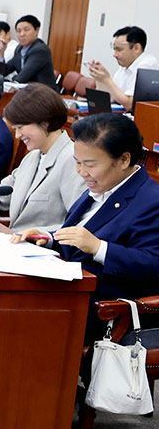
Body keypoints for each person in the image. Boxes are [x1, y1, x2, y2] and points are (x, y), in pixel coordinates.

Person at [13, 113, 159, 307]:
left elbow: (153, 265)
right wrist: (48, 239)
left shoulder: (151, 200)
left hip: (100, 308)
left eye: (89, 164)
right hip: (64, 292)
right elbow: (79, 241)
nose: (81, 172)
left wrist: (99, 247)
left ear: (124, 160)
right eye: (77, 162)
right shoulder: (102, 186)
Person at [0, 83, 83, 234]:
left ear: (45, 122)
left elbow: (78, 223)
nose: (17, 135)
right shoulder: (32, 158)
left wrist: (45, 236)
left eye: (20, 128)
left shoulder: (72, 160)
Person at [87, 26, 158, 109]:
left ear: (136, 48)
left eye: (119, 50)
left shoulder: (147, 65)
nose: (115, 55)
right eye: (114, 50)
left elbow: (129, 105)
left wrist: (107, 79)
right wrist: (99, 79)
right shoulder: (125, 65)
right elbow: (111, 97)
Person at [0, 15, 56, 88]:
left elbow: (22, 78)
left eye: (26, 30)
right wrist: (0, 54)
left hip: (44, 94)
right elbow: (3, 72)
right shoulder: (19, 48)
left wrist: (13, 78)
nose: (22, 34)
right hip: (27, 91)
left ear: (37, 30)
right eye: (19, 31)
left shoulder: (40, 50)